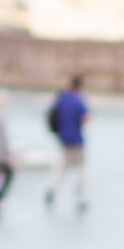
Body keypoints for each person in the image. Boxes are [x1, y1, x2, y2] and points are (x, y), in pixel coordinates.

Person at [44, 72, 89, 211]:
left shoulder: (61, 98)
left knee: (62, 168)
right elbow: (86, 118)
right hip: (77, 141)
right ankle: (80, 198)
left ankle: (52, 189)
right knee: (80, 171)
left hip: (63, 139)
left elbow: (52, 112)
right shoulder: (78, 101)